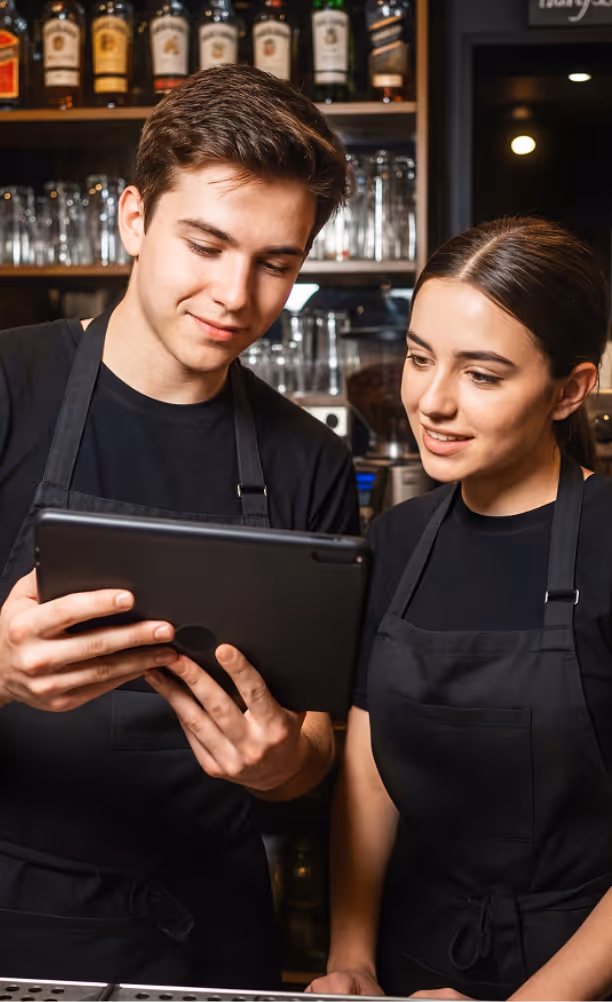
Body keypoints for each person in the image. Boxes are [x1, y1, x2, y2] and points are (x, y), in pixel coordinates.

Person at [0, 65, 359, 989]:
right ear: (132, 218)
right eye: (204, 243)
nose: (236, 295)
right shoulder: (8, 387)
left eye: (275, 263)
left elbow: (317, 749)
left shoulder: (307, 461)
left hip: (213, 925)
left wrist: (280, 765)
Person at [309, 217, 612, 1002]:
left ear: (569, 389)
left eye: (482, 374)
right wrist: (353, 959)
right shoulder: (397, 542)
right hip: (419, 964)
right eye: (418, 358)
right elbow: (371, 776)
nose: (431, 402)